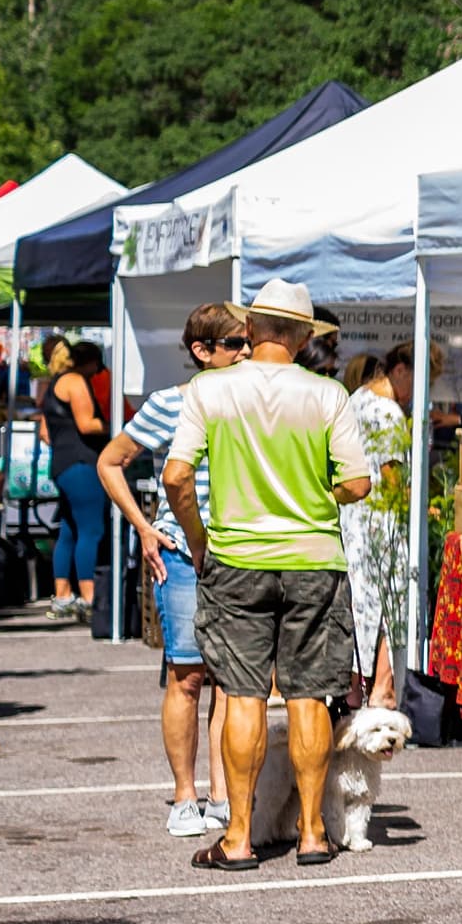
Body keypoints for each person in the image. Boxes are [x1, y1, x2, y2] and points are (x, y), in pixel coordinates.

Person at [169, 279, 381, 871]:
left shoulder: (210, 390)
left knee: (244, 696)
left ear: (254, 329)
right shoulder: (327, 394)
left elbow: (176, 477)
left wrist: (198, 539)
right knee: (311, 695)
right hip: (314, 559)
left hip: (236, 558)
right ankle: (313, 831)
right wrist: (315, 490)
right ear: (302, 338)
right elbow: (359, 483)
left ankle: (238, 836)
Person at [105, 303, 249, 837]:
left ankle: (222, 794)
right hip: (183, 556)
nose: (245, 353)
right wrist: (144, 528)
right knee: (187, 676)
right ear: (202, 351)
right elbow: (110, 460)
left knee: (232, 682)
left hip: (241, 554)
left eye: (247, 342)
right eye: (234, 344)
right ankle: (186, 797)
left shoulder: (252, 402)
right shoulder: (170, 404)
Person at [337, 350, 416, 711]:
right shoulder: (389, 412)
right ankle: (383, 687)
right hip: (383, 520)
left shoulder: (356, 399)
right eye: (418, 379)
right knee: (392, 603)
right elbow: (393, 476)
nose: (417, 391)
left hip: (353, 516)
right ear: (400, 370)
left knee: (358, 603)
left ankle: (353, 688)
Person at [42, 335, 112, 615]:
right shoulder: (74, 381)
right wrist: (115, 424)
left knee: (69, 531)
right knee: (91, 530)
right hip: (81, 463)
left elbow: (45, 433)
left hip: (61, 463)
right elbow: (86, 424)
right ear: (91, 363)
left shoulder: (53, 385)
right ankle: (89, 596)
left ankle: (62, 594)